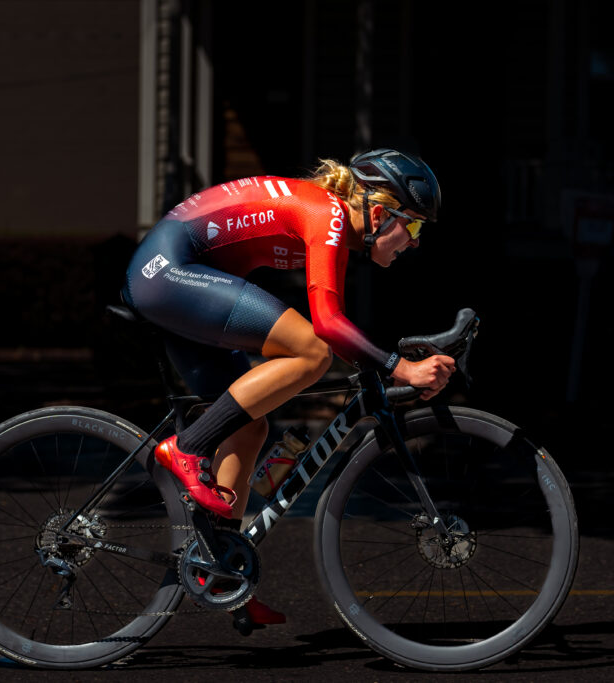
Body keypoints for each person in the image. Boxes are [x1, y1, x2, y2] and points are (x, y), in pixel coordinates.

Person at [121, 149, 455, 626]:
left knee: (248, 428)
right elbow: (328, 327)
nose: (416, 242)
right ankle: (188, 447)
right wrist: (400, 367)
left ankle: (222, 572)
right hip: (166, 271)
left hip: (177, 274)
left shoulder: (334, 226)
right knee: (311, 351)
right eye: (415, 226)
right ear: (380, 214)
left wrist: (390, 368)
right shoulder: (328, 214)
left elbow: (338, 327)